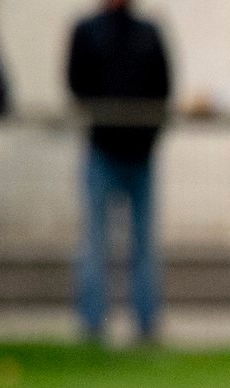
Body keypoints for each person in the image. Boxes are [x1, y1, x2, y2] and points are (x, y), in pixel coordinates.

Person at [66, 0, 172, 346]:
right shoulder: (87, 32)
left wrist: (149, 134)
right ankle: (93, 326)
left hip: (141, 153)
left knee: (144, 244)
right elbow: (76, 83)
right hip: (102, 151)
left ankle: (146, 325)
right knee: (96, 242)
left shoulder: (148, 33)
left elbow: (163, 86)